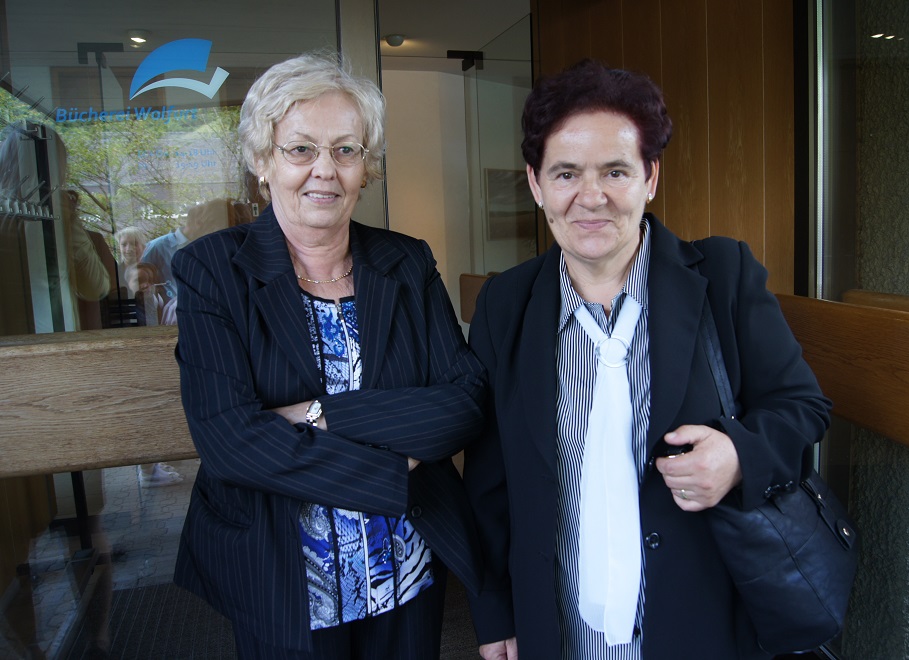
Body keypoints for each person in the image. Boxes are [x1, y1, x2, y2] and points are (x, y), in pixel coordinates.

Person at [462, 60, 832, 660]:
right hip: (558, 626)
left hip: (696, 620)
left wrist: (740, 455)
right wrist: (494, 610)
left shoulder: (724, 276)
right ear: (536, 184)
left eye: (615, 171)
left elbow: (802, 405)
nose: (591, 197)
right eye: (565, 173)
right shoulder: (507, 303)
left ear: (650, 176)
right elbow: (488, 478)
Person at [172, 49, 486, 659]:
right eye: (300, 149)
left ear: (366, 167)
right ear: (262, 161)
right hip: (284, 584)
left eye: (346, 150)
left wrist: (320, 414)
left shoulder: (406, 260)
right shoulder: (211, 270)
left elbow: (465, 400)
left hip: (406, 573)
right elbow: (230, 441)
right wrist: (394, 468)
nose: (325, 170)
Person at [141, 198, 229, 299]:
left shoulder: (207, 246)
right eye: (211, 225)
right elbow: (142, 282)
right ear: (198, 223)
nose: (213, 230)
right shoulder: (157, 247)